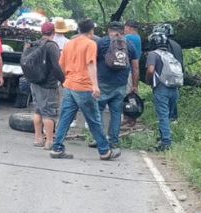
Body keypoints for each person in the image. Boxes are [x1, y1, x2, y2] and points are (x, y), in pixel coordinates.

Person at [49, 18, 119, 160]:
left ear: (79, 30)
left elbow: (60, 64)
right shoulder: (90, 44)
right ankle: (105, 151)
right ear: (92, 30)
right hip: (84, 87)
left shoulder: (69, 44)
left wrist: (67, 77)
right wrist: (95, 86)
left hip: (69, 85)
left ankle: (57, 148)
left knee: (65, 118)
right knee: (94, 120)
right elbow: (91, 64)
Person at [92, 21, 139, 149]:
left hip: (102, 82)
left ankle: (99, 139)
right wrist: (135, 85)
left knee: (99, 111)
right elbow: (135, 67)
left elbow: (92, 62)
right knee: (116, 112)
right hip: (120, 84)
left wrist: (92, 81)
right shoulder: (129, 44)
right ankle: (113, 140)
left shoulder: (102, 42)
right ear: (123, 30)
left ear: (108, 30)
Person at [31, 22, 65, 149]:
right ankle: (49, 141)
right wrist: (63, 81)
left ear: (41, 32)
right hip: (48, 84)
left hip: (34, 82)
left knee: (38, 110)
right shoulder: (51, 46)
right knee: (49, 112)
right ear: (53, 32)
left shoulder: (35, 44)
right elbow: (57, 67)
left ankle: (37, 138)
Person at [146, 32, 180, 151]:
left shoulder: (153, 54)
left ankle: (166, 142)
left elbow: (150, 70)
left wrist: (149, 81)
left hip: (161, 89)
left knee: (163, 116)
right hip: (174, 89)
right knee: (168, 116)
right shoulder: (170, 55)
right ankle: (164, 138)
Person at [153, 23, 184, 122]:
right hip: (177, 75)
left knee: (163, 100)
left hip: (165, 76)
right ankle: (173, 118)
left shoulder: (165, 45)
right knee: (173, 99)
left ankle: (165, 120)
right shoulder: (177, 45)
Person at [122, 19, 142, 129]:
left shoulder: (129, 38)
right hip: (133, 70)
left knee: (128, 95)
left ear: (129, 28)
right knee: (131, 94)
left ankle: (130, 118)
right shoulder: (137, 37)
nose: (124, 30)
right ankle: (130, 117)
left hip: (128, 70)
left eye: (125, 28)